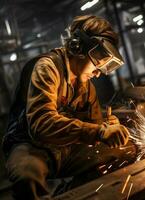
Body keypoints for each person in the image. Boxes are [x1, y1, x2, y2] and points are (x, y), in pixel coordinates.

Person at [2, 15, 137, 199]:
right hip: (31, 146)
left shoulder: (87, 86)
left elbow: (95, 126)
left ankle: (69, 194)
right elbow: (41, 124)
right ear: (77, 47)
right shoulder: (48, 68)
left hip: (65, 149)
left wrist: (106, 127)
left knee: (125, 151)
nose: (98, 73)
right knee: (28, 177)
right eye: (97, 61)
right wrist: (98, 132)